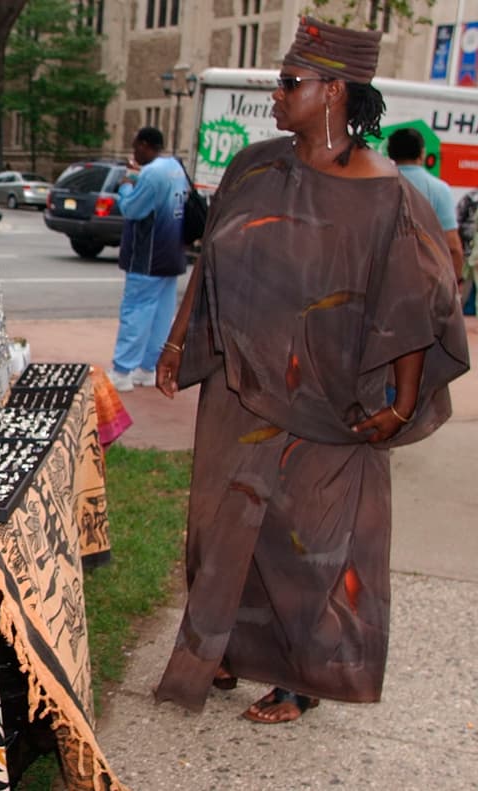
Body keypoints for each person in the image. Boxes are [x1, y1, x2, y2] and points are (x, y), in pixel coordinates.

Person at [152, 17, 468, 725]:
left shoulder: (387, 194)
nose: (276, 92)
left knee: (308, 542)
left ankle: (300, 676)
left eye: (290, 82)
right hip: (240, 389)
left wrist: (403, 399)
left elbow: (415, 302)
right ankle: (224, 647)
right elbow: (212, 266)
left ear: (335, 92)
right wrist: (179, 343)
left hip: (330, 402)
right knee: (220, 527)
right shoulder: (254, 167)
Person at [108, 127, 188, 393]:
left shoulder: (152, 173)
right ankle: (147, 367)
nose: (134, 153)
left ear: (145, 145)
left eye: (135, 147)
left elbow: (132, 209)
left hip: (147, 255)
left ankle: (122, 370)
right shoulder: (175, 167)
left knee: (137, 310)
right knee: (161, 315)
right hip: (171, 252)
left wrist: (127, 184)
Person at [387, 127, 465, 282]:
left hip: (384, 281)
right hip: (425, 282)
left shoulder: (378, 185)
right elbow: (453, 246)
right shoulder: (439, 189)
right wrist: (456, 282)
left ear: (390, 154)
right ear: (422, 153)